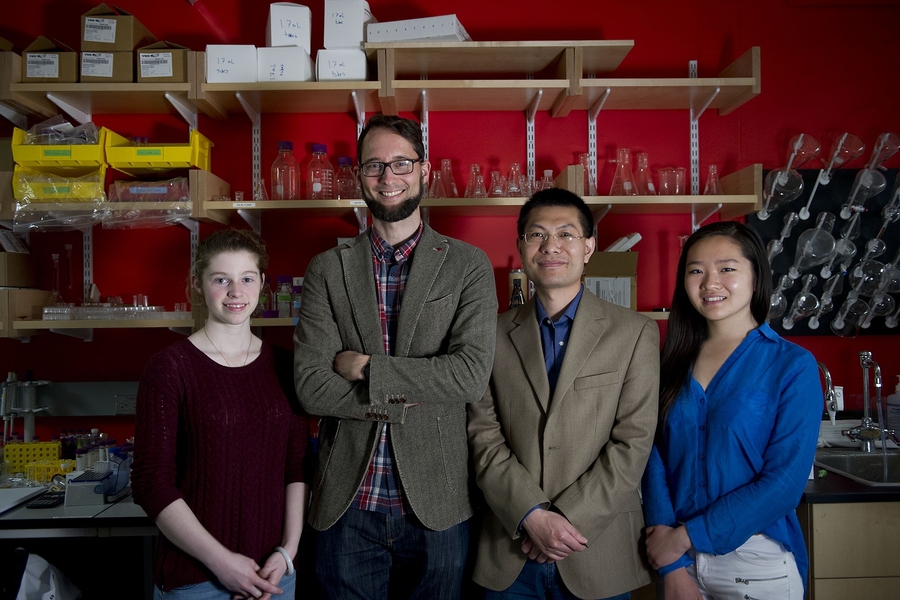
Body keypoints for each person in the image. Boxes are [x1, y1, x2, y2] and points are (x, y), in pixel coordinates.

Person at [293, 114, 498, 599]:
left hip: (438, 500)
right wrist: (417, 391)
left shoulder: (468, 266)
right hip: (348, 501)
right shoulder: (327, 268)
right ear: (359, 175)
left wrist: (366, 368)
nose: (388, 178)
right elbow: (311, 387)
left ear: (424, 169)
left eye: (401, 163)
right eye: (374, 166)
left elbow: (468, 378)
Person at [468, 188, 659, 600]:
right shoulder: (490, 334)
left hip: (597, 549)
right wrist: (532, 516)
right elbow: (483, 435)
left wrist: (564, 521)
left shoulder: (634, 333)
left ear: (589, 247)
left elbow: (634, 442)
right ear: (521, 246)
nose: (551, 246)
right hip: (509, 548)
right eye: (537, 235)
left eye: (566, 234)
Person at [641, 221, 822, 599]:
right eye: (696, 271)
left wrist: (684, 537)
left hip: (756, 561)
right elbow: (651, 457)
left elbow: (785, 484)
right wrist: (671, 562)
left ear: (756, 276)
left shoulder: (792, 365)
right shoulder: (669, 363)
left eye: (726, 268)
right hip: (679, 561)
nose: (710, 283)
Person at [132, 229, 309, 600]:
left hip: (275, 577)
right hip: (196, 581)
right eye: (221, 280)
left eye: (247, 278)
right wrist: (224, 564)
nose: (235, 292)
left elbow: (296, 467)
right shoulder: (169, 367)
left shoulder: (284, 366)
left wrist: (287, 552)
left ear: (262, 282)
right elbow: (151, 483)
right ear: (198, 284)